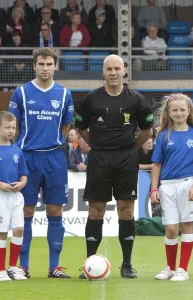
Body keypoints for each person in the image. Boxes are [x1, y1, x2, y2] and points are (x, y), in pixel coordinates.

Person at [75, 54, 153, 279]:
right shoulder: (91, 99)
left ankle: (127, 264)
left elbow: (147, 131)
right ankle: (90, 264)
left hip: (126, 159)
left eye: (117, 68)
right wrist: (97, 146)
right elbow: (81, 128)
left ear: (124, 71)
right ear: (103, 72)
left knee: (126, 209)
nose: (113, 72)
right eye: (109, 69)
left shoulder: (136, 99)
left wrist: (129, 148)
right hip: (99, 159)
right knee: (95, 210)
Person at [8, 47, 74, 279]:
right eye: (41, 64)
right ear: (34, 65)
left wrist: (53, 142)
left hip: (54, 158)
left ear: (55, 66)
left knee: (55, 210)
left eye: (49, 64)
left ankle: (54, 266)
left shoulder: (65, 94)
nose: (45, 68)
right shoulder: (21, 93)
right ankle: (23, 266)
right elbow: (13, 127)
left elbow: (66, 127)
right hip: (27, 157)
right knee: (25, 211)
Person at [151, 93, 193, 281]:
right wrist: (154, 188)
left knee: (187, 224)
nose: (178, 113)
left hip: (187, 184)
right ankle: (170, 267)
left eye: (182, 109)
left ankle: (182, 269)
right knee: (171, 228)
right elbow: (156, 165)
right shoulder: (163, 136)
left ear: (189, 111)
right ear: (168, 111)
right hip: (167, 186)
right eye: (174, 109)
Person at [0, 111, 28, 281]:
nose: (11, 131)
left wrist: (22, 183)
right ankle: (0, 270)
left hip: (16, 196)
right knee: (1, 232)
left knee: (19, 229)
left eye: (13, 127)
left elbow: (23, 174)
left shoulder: (17, 151)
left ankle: (13, 267)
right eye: (7, 127)